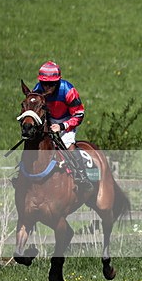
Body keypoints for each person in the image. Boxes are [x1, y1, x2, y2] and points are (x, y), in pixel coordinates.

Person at [32, 61, 92, 189]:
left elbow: (79, 114)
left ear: (58, 82)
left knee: (68, 145)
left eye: (51, 84)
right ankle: (23, 174)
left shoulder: (68, 90)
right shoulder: (37, 90)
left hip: (66, 121)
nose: (47, 87)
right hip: (47, 122)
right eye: (44, 83)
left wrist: (62, 126)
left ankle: (81, 176)